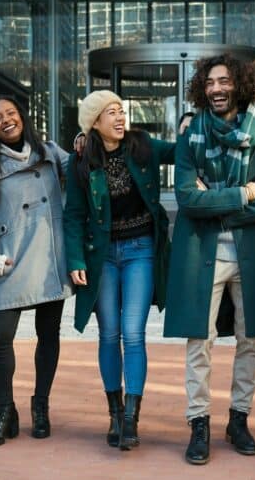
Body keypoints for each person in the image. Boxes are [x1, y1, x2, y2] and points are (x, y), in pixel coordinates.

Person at [164, 54, 255, 465]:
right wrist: (240, 193)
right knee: (199, 340)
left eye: (224, 82)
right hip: (199, 251)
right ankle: (198, 422)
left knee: (248, 339)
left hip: (252, 253)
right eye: (209, 83)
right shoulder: (190, 137)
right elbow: (186, 198)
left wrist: (214, 204)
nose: (216, 89)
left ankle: (239, 419)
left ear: (240, 85)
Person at [64, 91, 175, 451]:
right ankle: (113, 412)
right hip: (102, 256)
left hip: (141, 248)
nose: (119, 117)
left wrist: (192, 125)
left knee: (133, 333)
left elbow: (180, 151)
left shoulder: (141, 144)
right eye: (110, 113)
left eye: (120, 111)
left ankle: (130, 418)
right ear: (94, 122)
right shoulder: (81, 160)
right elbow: (73, 216)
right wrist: (76, 260)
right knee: (109, 334)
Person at [0, 95, 72, 447]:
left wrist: (85, 142)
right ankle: (4, 410)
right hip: (12, 259)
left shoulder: (51, 152)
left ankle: (40, 406)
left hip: (50, 258)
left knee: (49, 335)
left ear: (22, 117)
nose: (6, 120)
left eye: (10, 113)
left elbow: (86, 173)